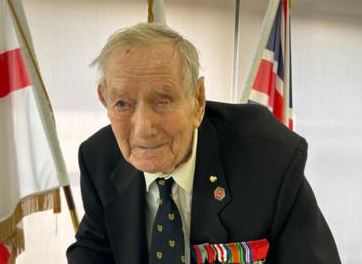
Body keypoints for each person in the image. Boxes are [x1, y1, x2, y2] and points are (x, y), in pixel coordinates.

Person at [66, 23, 341, 264]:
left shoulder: (269, 161)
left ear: (198, 100)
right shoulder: (98, 158)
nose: (143, 129)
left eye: (162, 101)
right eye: (123, 103)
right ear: (105, 100)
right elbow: (94, 249)